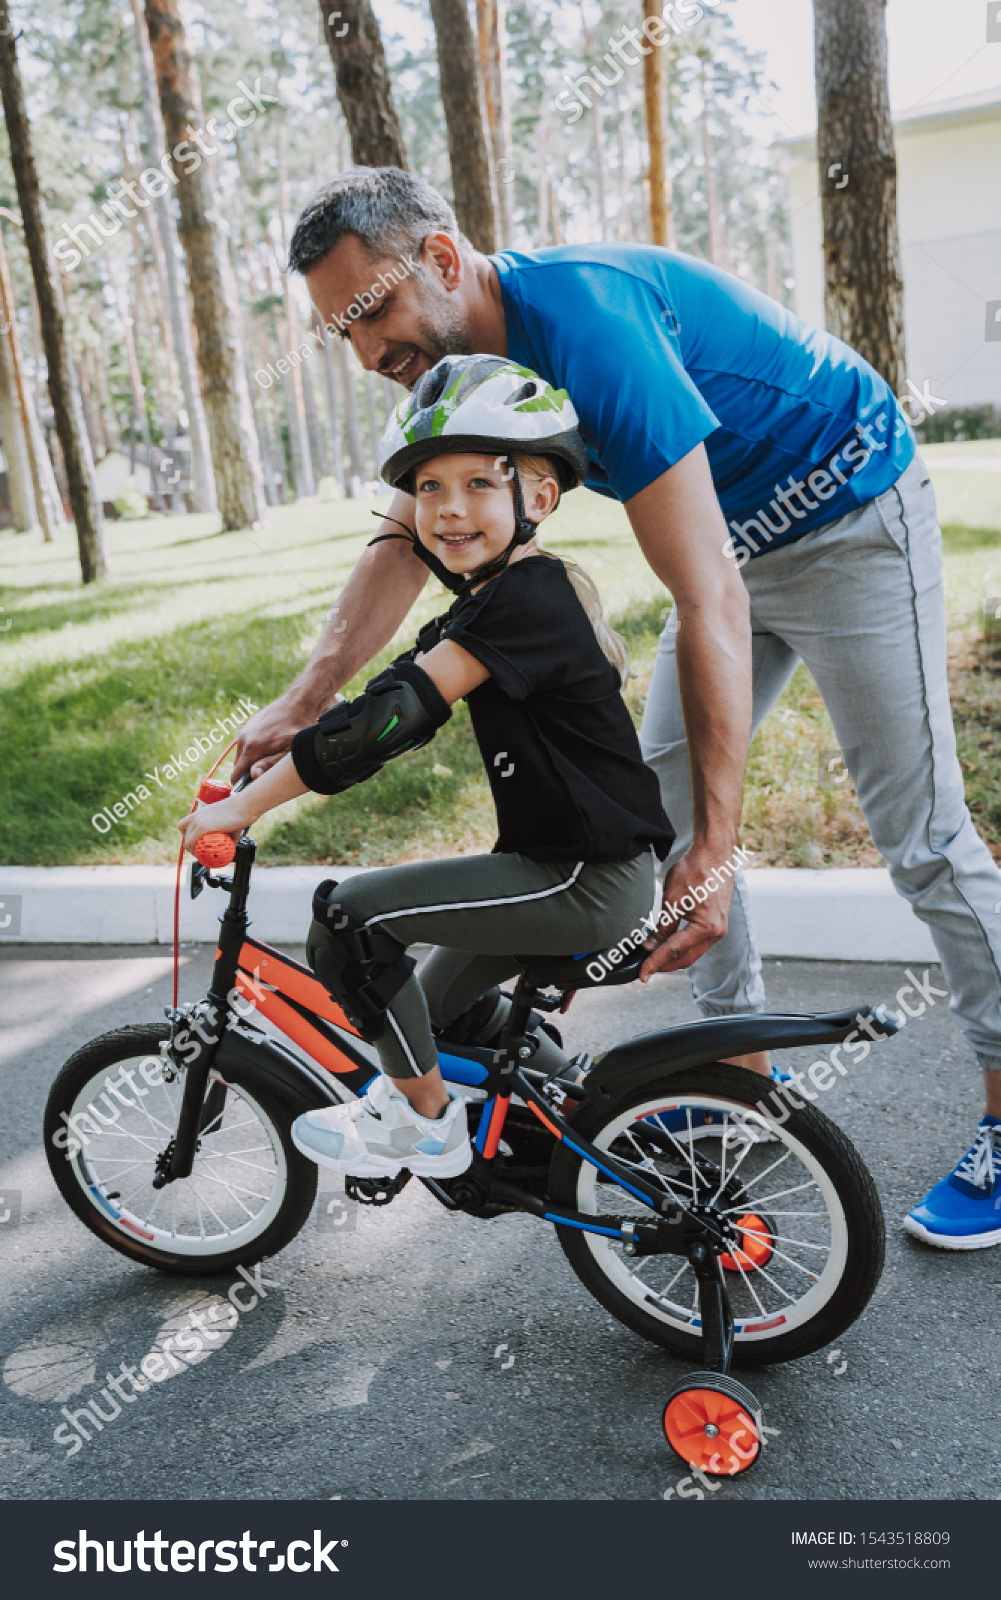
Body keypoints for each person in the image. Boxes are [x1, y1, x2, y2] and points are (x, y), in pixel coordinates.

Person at [230, 168, 1001, 1249]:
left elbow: (704, 596)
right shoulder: (455, 377)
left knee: (917, 836)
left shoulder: (588, 324)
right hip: (733, 550)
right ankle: (743, 1108)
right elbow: (403, 537)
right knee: (666, 834)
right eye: (339, 332)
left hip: (846, 513)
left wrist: (721, 849)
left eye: (372, 312)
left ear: (443, 262)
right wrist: (305, 696)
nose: (365, 354)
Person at [179, 358, 673, 1177]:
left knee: (353, 922)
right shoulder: (491, 602)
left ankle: (424, 1124)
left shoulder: (527, 601)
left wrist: (242, 811)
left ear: (538, 501)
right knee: (437, 1020)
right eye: (431, 488)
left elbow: (383, 725)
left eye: (480, 483)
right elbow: (371, 703)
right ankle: (612, 1144)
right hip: (559, 869)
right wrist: (284, 736)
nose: (448, 509)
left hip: (582, 880)